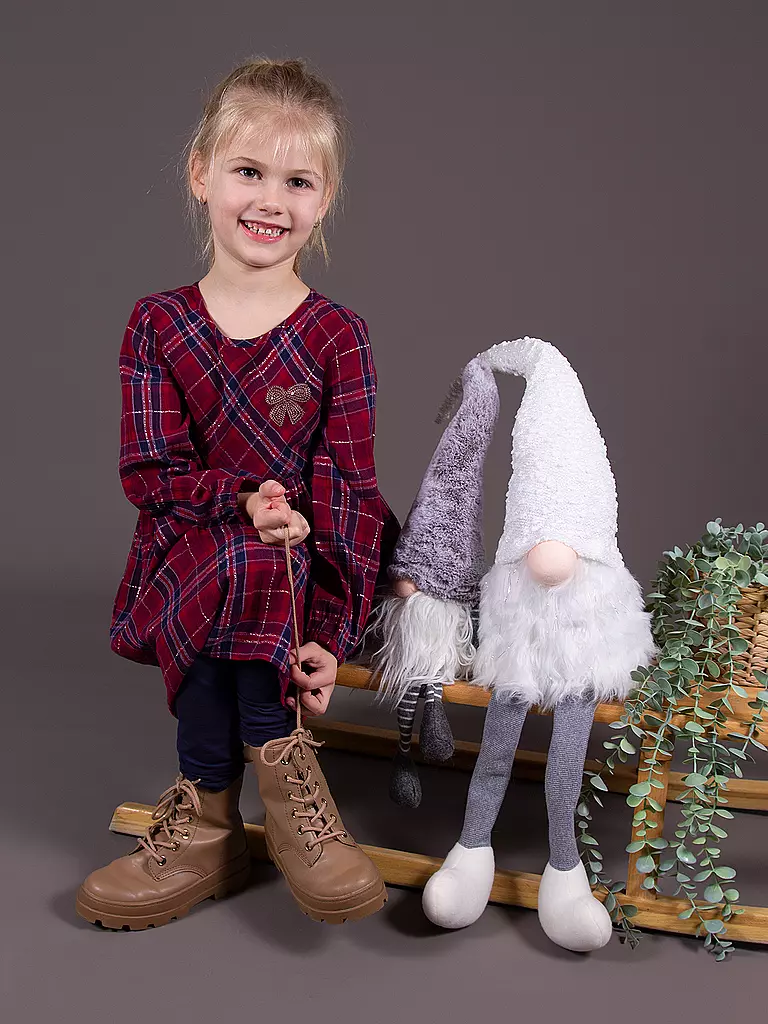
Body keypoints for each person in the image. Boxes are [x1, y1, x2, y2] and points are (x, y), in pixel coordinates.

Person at [76, 57, 399, 931]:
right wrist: (245, 500)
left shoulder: (337, 336)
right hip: (181, 561)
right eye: (248, 172)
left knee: (265, 552)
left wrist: (331, 633)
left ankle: (211, 816)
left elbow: (349, 494)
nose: (270, 200)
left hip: (301, 583)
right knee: (236, 545)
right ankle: (283, 777)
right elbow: (152, 473)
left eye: (297, 181)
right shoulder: (159, 323)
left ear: (324, 197)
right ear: (201, 175)